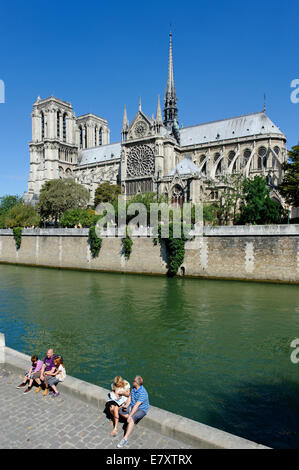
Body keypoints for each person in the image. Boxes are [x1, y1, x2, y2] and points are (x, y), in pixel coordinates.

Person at [117, 375, 149, 448]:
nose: (133, 381)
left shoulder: (143, 393)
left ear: (137, 383)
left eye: (134, 381)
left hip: (141, 409)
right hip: (132, 405)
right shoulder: (134, 388)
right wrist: (125, 405)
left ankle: (125, 439)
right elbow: (130, 398)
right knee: (120, 411)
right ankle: (131, 420)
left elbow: (136, 406)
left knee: (131, 419)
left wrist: (130, 416)